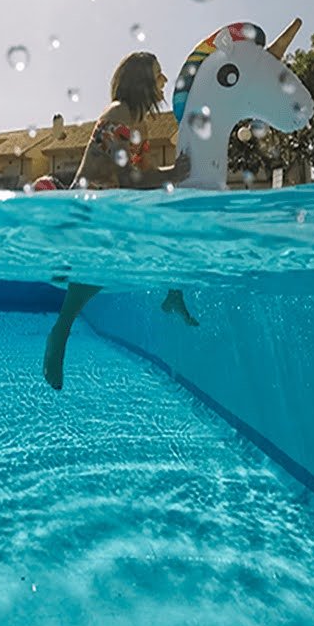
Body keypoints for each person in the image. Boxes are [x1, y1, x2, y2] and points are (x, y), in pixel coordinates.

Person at [41, 51, 195, 390]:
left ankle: (173, 293)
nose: (164, 82)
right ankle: (61, 332)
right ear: (142, 80)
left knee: (169, 234)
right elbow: (132, 178)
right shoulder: (118, 115)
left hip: (111, 206)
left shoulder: (138, 122)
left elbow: (143, 172)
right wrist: (174, 172)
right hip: (91, 206)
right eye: (158, 75)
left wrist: (169, 174)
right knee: (98, 271)